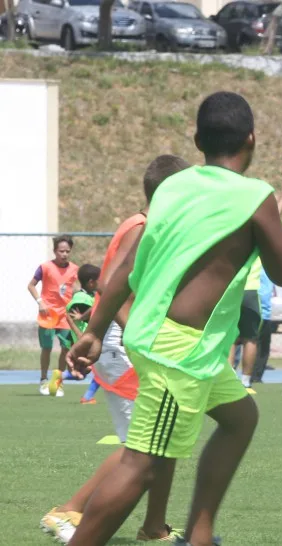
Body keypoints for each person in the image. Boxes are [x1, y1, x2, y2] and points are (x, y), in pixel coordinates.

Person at [66, 92, 282, 546]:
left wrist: (94, 330)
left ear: (197, 140)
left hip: (176, 342)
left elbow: (129, 269)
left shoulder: (174, 186)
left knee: (240, 418)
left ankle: (200, 534)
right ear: (252, 139)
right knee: (142, 463)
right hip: (182, 352)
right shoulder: (256, 196)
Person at [41, 155, 191, 544]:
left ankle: (154, 526)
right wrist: (138, 335)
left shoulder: (145, 224)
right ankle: (67, 511)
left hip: (126, 344)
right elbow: (111, 286)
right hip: (121, 347)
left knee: (161, 435)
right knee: (139, 447)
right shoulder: (139, 227)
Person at [238, 174, 282, 390]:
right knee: (250, 339)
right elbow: (275, 217)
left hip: (229, 290)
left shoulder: (231, 225)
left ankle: (225, 381)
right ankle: (245, 381)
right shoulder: (255, 229)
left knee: (228, 341)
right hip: (250, 290)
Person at [29, 234, 79, 396]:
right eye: (61, 251)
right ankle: (43, 380)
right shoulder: (45, 267)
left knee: (66, 349)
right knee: (47, 348)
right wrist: (40, 302)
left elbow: (78, 289)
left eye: (67, 251)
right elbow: (31, 286)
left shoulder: (74, 269)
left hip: (66, 316)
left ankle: (58, 382)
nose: (64, 254)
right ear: (54, 251)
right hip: (47, 315)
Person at [65, 264, 101, 404]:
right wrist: (81, 337)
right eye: (100, 280)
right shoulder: (81, 298)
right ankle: (87, 397)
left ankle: (61, 376)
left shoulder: (87, 296)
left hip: (88, 339)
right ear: (91, 282)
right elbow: (92, 312)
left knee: (84, 372)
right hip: (87, 339)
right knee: (102, 369)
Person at [252, 268, 274, 384]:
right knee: (258, 345)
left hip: (259, 310)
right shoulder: (266, 264)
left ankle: (253, 376)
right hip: (260, 310)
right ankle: (254, 376)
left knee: (247, 342)